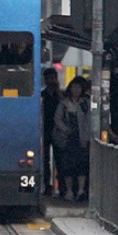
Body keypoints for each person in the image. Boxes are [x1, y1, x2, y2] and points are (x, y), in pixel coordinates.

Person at [52, 76, 91, 201]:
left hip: (81, 138)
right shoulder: (63, 104)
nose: (76, 90)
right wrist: (65, 129)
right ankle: (69, 191)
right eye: (73, 87)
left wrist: (86, 137)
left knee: (81, 165)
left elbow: (89, 121)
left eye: (78, 88)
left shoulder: (85, 103)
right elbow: (57, 119)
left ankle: (80, 190)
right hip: (67, 139)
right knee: (67, 165)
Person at [40, 67, 62, 197]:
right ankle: (47, 185)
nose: (50, 81)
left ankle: (61, 185)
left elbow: (63, 102)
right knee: (45, 158)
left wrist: (57, 90)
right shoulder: (42, 95)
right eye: (47, 78)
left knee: (60, 157)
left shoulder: (60, 94)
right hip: (46, 128)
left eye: (52, 78)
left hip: (59, 130)